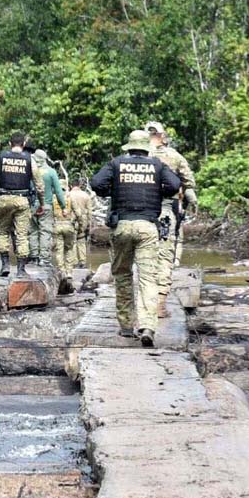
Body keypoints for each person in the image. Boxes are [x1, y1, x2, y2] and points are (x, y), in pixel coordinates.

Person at [90, 130, 180, 347]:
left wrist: (112, 189)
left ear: (129, 147)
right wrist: (159, 190)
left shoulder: (116, 164)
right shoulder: (157, 164)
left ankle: (126, 326)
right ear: (146, 147)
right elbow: (175, 186)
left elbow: (96, 184)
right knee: (148, 278)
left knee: (122, 275)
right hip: (148, 227)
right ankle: (148, 326)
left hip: (121, 226)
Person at [146, 121, 198, 318]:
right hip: (166, 211)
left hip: (140, 211)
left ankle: (143, 302)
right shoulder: (174, 156)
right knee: (165, 256)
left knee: (143, 256)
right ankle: (159, 303)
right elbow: (189, 184)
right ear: (163, 136)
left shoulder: (134, 157)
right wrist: (191, 203)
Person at [0, 132, 45, 277]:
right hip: (22, 200)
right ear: (24, 144)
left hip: (3, 199)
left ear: (9, 143)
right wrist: (41, 203)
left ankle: (5, 265)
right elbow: (39, 185)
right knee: (22, 235)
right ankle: (20, 270)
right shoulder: (29, 160)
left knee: (2, 232)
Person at [27, 149, 65, 266]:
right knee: (45, 231)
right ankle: (44, 259)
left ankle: (33, 257)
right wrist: (63, 206)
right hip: (47, 205)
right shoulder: (51, 172)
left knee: (33, 231)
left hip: (31, 205)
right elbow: (58, 191)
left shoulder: (30, 170)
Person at [52, 179, 77, 295]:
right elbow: (79, 213)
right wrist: (80, 226)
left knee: (59, 250)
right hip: (69, 226)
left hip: (57, 225)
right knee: (69, 249)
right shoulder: (70, 197)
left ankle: (61, 271)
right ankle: (69, 272)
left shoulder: (53, 198)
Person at [68, 177, 93, 268]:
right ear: (79, 185)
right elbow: (90, 211)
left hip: (72, 220)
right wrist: (90, 223)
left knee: (72, 241)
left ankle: (74, 262)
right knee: (81, 240)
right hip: (83, 219)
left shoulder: (68, 195)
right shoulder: (86, 195)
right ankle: (82, 262)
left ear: (71, 186)